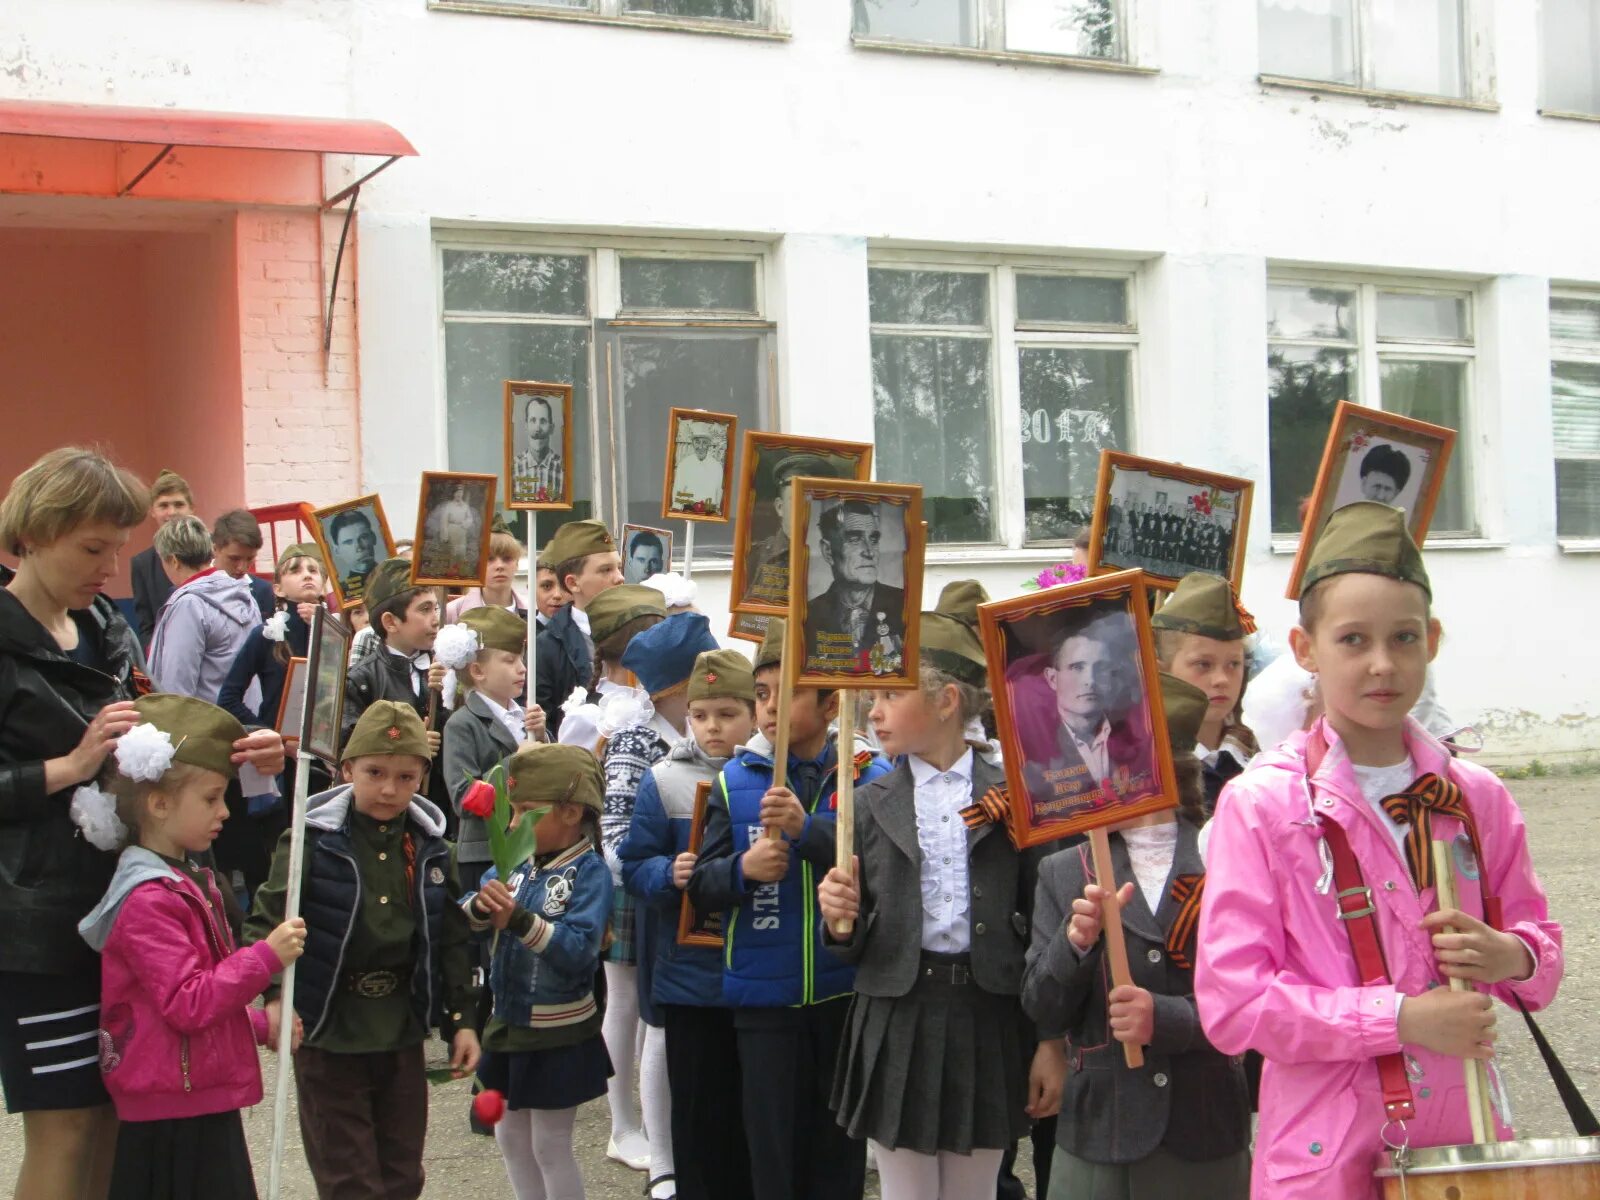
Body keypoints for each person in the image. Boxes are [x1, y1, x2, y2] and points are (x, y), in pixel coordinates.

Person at [1195, 502, 1564, 1199]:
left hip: (1465, 1148)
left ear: (1433, 639)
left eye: (1403, 638)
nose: (1382, 665)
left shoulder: (1475, 796)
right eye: (1353, 640)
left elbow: (1539, 953)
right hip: (1324, 1160)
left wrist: (1509, 954)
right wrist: (1401, 1018)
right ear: (1305, 649)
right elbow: (1233, 1004)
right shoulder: (1263, 804)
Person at [0, 446, 284, 1200]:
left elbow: (157, 739)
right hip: (37, 926)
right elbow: (84, 760)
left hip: (130, 913)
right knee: (65, 1129)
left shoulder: (101, 624)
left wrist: (234, 748)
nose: (111, 570)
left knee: (118, 1122)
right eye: (93, 549)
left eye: (118, 548)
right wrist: (66, 767)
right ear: (32, 534)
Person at [818, 581, 1066, 1200]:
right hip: (897, 1011)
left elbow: (1045, 922)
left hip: (987, 1014)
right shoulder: (865, 801)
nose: (872, 712)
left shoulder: (1014, 794)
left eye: (888, 696)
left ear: (947, 700)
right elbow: (850, 939)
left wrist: (1050, 1041)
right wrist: (837, 920)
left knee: (974, 1189)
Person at [1021, 674, 1250, 1199]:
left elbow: (1255, 996)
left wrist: (1165, 1018)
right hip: (1102, 1129)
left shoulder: (1228, 854)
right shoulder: (1065, 869)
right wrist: (1074, 943)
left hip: (1205, 1126)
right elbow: (1041, 1006)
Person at [687, 617, 893, 1200]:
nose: (769, 708)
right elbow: (701, 886)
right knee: (772, 1152)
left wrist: (807, 833)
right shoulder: (736, 779)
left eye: (787, 692)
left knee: (837, 1152)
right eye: (760, 693)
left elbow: (878, 868)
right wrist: (741, 871)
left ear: (832, 704)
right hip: (764, 999)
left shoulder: (867, 776)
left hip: (842, 995)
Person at [72, 694, 307, 1200]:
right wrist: (265, 956)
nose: (224, 811)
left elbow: (181, 1001)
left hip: (189, 1091)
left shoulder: (183, 880)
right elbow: (188, 1002)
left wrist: (259, 1023)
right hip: (172, 1105)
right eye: (211, 798)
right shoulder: (148, 899)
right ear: (158, 803)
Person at [246, 701, 481, 1200]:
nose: (390, 789)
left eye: (406, 776)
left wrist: (462, 1019)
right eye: (375, 773)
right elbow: (265, 922)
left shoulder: (434, 849)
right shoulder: (311, 841)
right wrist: (272, 996)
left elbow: (452, 939)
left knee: (401, 1174)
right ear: (347, 769)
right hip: (329, 1027)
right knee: (349, 1178)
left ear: (422, 777)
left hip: (399, 1027)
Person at [619, 648, 758, 1200]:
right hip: (690, 976)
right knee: (698, 1110)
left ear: (753, 712)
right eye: (700, 714)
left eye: (727, 713)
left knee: (751, 1111)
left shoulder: (771, 777)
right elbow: (632, 863)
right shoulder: (663, 780)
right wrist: (665, 872)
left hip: (756, 970)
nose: (712, 726)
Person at [605, 611, 722, 1199]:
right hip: (651, 901)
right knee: (654, 1026)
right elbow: (615, 835)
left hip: (715, 903)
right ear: (675, 690)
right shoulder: (637, 742)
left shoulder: (725, 738)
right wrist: (655, 876)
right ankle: (656, 1150)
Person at [464, 744, 611, 1200]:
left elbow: (579, 950)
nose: (512, 824)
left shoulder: (590, 873)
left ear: (570, 812)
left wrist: (522, 922)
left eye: (526, 812)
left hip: (557, 1033)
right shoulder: (518, 863)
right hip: (509, 1025)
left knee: (549, 1144)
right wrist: (479, 907)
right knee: (508, 1136)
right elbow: (470, 907)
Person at [577, 584, 672, 1172]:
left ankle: (644, 1118)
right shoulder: (615, 718)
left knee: (640, 1005)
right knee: (624, 1001)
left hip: (651, 872)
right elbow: (610, 820)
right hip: (627, 877)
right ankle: (622, 1123)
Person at [215, 542, 332, 893]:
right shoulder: (266, 635)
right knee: (278, 853)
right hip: (280, 762)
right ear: (278, 587)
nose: (307, 574)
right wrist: (274, 738)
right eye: (295, 570)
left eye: (314, 569)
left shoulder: (336, 633)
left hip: (324, 759)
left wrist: (325, 630)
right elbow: (228, 697)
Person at [1016, 611, 1151, 816]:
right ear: (1052, 679)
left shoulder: (1137, 740)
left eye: (1101, 668)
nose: (1091, 680)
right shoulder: (1030, 749)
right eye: (1077, 667)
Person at [1150, 573, 1261, 815]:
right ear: (1160, 671)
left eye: (1234, 664)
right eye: (1203, 664)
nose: (1222, 679)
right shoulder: (1149, 768)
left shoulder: (1261, 755)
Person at [148, 515, 263, 705]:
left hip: (210, 727)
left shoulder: (189, 604)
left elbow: (176, 685)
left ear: (173, 560)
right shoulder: (245, 595)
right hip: (248, 719)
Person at [535, 520, 624, 740]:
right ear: (573, 583)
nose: (619, 578)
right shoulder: (547, 645)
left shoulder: (637, 629)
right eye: (606, 570)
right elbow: (543, 721)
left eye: (618, 568)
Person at [801, 500, 905, 677]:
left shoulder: (904, 605)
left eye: (873, 540)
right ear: (828, 551)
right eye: (855, 540)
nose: (869, 552)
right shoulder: (808, 615)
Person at [746, 452, 844, 608]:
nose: (807, 508)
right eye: (798, 499)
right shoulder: (755, 557)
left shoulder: (842, 558)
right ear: (780, 507)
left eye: (814, 500)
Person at [130, 468, 194, 649]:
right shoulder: (141, 564)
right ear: (152, 511)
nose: (171, 512)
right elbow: (146, 627)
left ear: (192, 508)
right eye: (163, 505)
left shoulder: (212, 552)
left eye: (179, 504)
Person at [444, 518, 529, 624]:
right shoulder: (454, 611)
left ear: (517, 564)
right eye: (489, 559)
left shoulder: (533, 610)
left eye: (507, 558)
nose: (499, 566)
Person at [209, 509, 275, 621]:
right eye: (234, 558)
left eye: (250, 558)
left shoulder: (263, 590)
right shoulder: (192, 589)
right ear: (215, 549)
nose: (242, 568)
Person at [513, 394, 565, 505]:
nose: (537, 428)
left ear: (551, 428)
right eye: (533, 420)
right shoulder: (513, 467)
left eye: (543, 421)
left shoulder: (563, 468)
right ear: (526, 426)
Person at [670, 427, 725, 516]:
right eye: (697, 442)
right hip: (688, 510)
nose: (700, 447)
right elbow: (678, 490)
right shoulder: (684, 465)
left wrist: (716, 511)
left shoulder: (717, 467)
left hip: (709, 511)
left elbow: (718, 493)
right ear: (693, 443)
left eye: (704, 442)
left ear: (709, 444)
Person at [426, 483, 480, 573]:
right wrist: (445, 535)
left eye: (461, 492)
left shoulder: (465, 506)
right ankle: (452, 572)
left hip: (462, 530)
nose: (459, 495)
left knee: (462, 551)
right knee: (452, 552)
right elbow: (444, 521)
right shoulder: (449, 506)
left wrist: (464, 524)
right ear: (454, 494)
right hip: (451, 529)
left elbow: (469, 518)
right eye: (457, 493)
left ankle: (461, 572)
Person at [329, 509, 380, 601]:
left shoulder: (395, 576)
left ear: (373, 538)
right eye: (348, 542)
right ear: (337, 550)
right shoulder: (341, 595)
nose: (359, 547)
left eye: (363, 537)